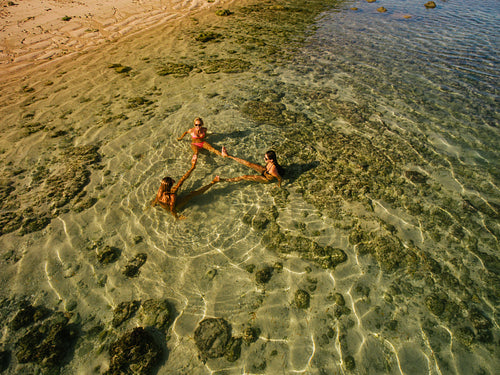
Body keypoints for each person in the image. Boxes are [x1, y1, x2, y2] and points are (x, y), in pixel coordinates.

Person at [151, 157, 220, 219]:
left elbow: (157, 198)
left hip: (165, 204)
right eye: (172, 182)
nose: (174, 181)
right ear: (169, 186)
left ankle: (192, 167)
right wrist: (177, 217)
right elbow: (172, 209)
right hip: (174, 207)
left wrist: (154, 204)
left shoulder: (161, 189)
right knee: (192, 194)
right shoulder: (172, 196)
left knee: (180, 183)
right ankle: (213, 182)